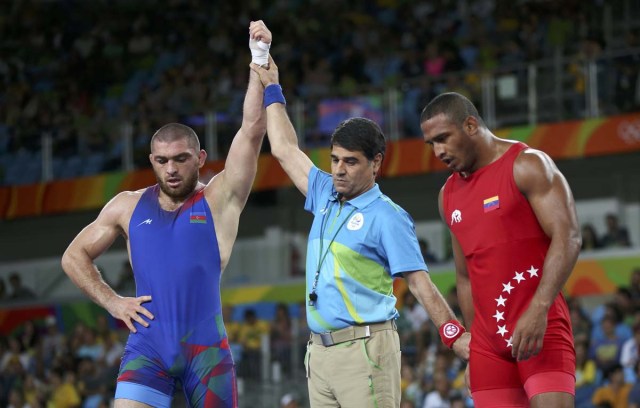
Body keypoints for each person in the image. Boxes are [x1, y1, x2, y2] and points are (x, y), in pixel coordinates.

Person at [249, 21, 469, 408]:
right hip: (319, 354)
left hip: (366, 351)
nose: (339, 170)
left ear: (376, 164)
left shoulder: (388, 216)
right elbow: (283, 148)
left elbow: (419, 282)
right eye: (334, 160)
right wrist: (271, 83)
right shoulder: (323, 193)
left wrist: (454, 334)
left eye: (351, 162)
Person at [60, 22, 270, 408]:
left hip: (206, 354)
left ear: (200, 159)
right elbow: (73, 256)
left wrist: (259, 58)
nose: (171, 169)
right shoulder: (127, 204)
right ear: (152, 162)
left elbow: (253, 129)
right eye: (162, 161)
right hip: (148, 351)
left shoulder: (218, 200)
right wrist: (112, 302)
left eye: (181, 159)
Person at [420, 92, 581, 408]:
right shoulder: (447, 195)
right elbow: (464, 277)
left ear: (469, 125)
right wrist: (473, 347)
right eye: (431, 144)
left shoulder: (527, 165)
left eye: (443, 138)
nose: (438, 151)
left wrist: (539, 307)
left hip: (540, 328)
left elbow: (569, 236)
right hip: (488, 347)